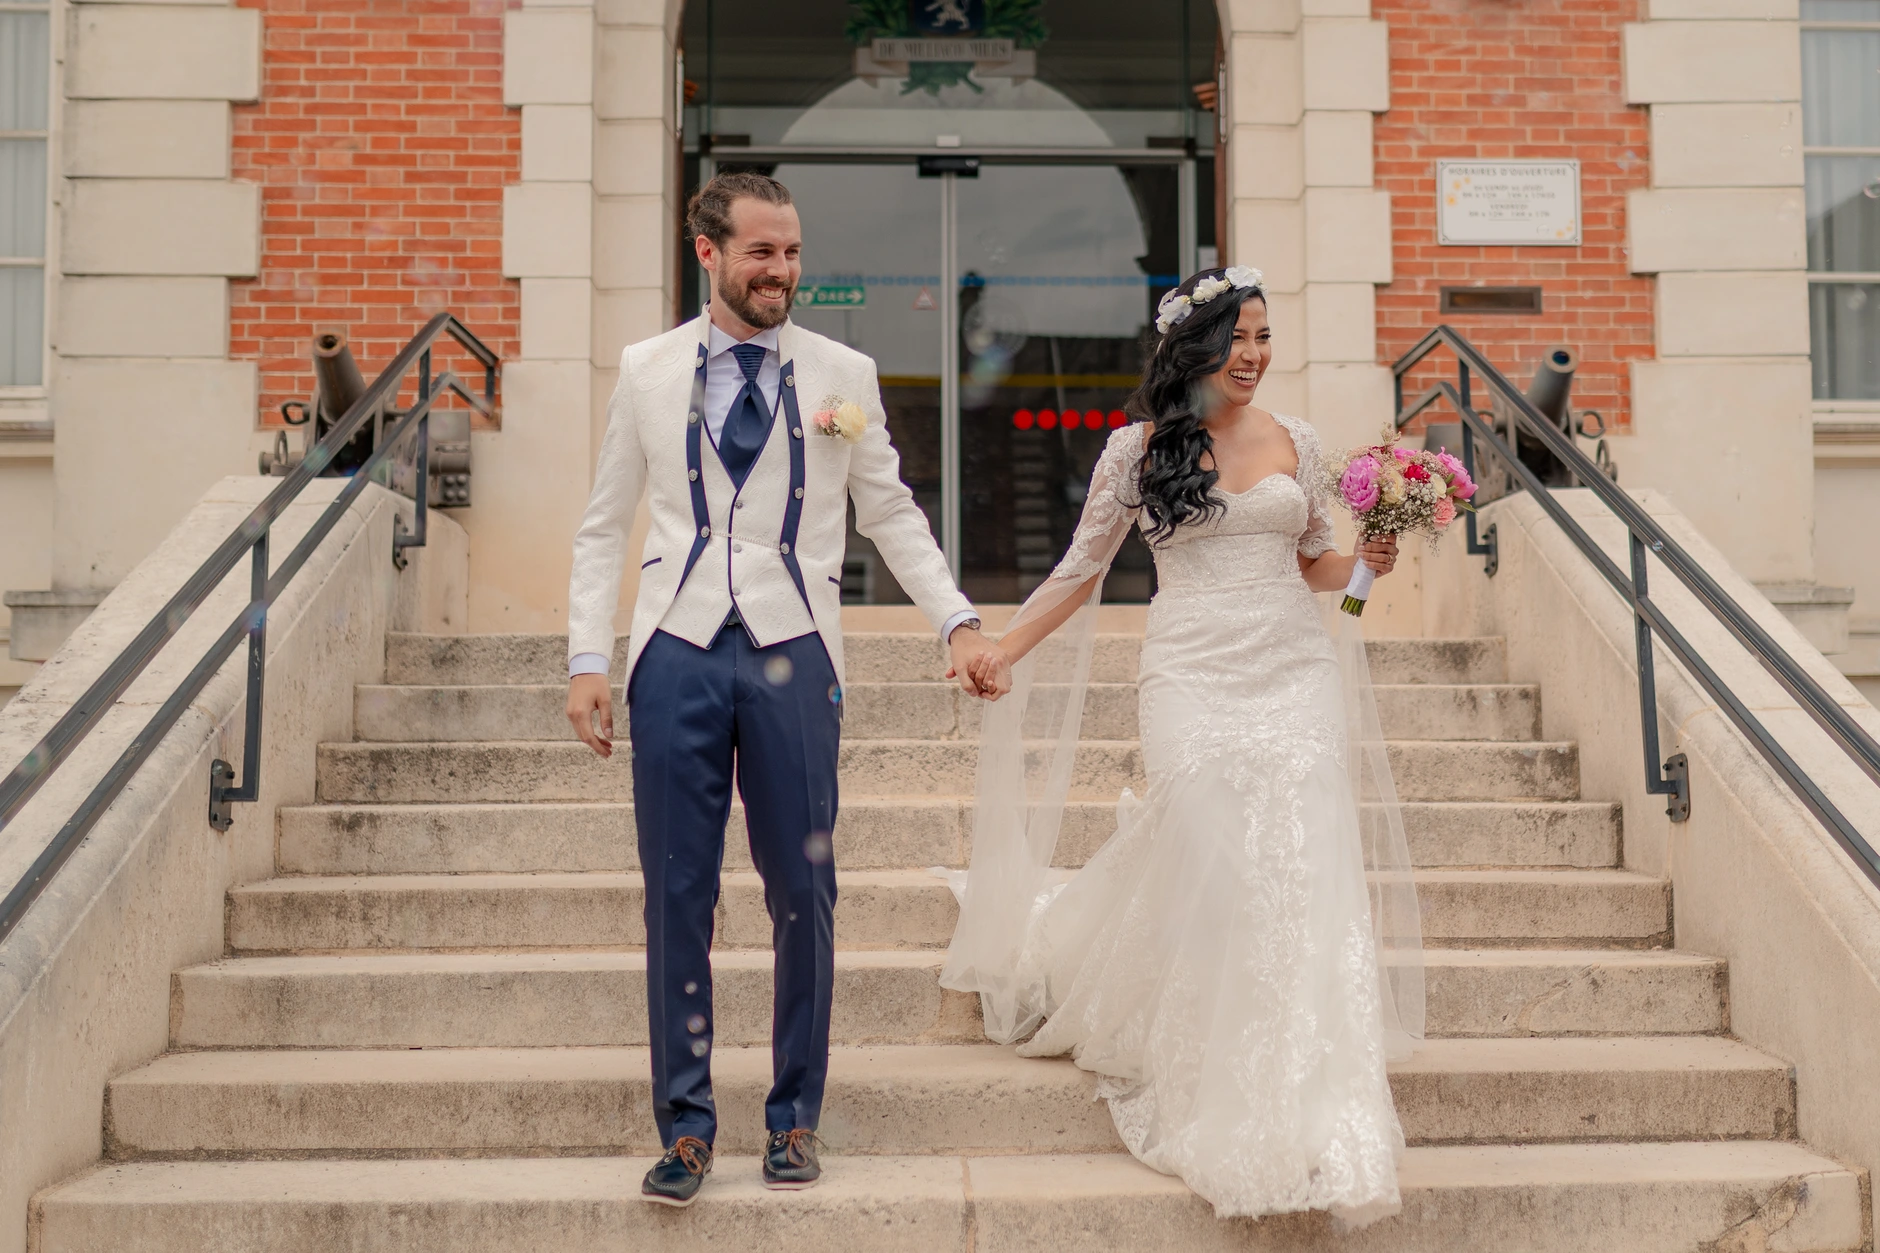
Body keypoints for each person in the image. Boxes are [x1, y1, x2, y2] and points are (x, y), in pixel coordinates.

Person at [941, 265, 1425, 1226]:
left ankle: (1313, 1098)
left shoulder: (1300, 441)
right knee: (1214, 854)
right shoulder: (1137, 451)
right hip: (1191, 677)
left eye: (1263, 335)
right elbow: (1080, 571)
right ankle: (1215, 1071)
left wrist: (1367, 563)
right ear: (1191, 347)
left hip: (1292, 672)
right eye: (1235, 337)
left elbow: (1317, 563)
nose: (1253, 354)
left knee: (1304, 865)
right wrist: (1003, 645)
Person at [565, 171, 1011, 1207]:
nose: (782, 271)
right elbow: (602, 525)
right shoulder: (645, 369)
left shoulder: (842, 373)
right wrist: (589, 658)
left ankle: (793, 1117)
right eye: (762, 252)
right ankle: (685, 1128)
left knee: (803, 892)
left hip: (796, 647)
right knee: (677, 890)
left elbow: (891, 513)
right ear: (708, 251)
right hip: (675, 647)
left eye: (793, 252)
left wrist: (955, 618)